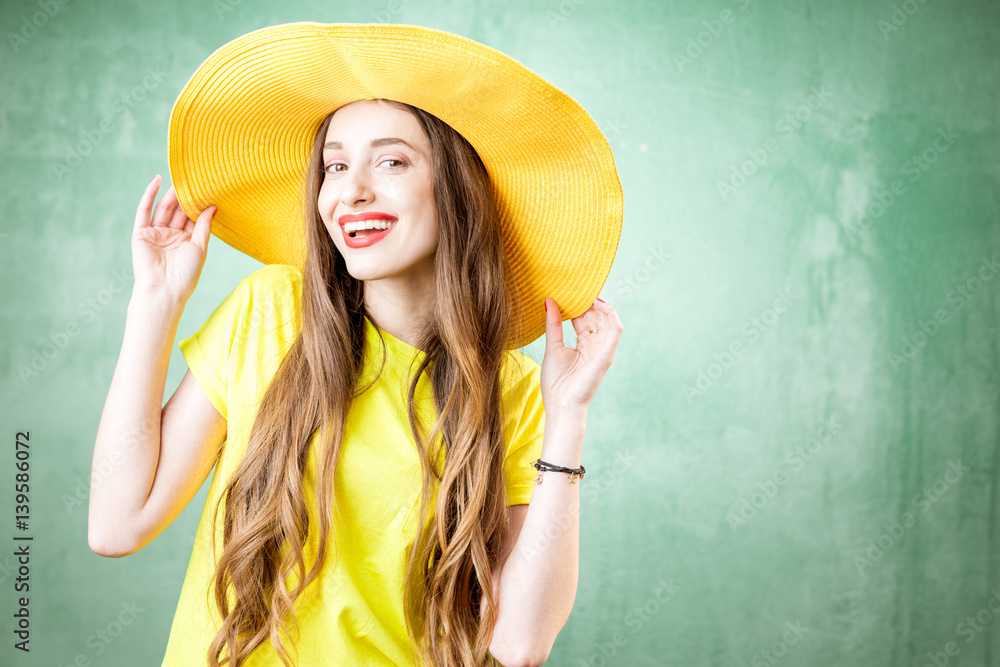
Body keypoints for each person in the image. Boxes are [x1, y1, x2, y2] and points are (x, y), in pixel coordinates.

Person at [88, 22, 623, 667]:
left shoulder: (512, 391)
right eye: (335, 165)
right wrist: (155, 304)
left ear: (455, 191)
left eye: (392, 161)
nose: (351, 190)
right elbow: (117, 525)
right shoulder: (268, 312)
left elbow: (517, 645)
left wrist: (568, 419)